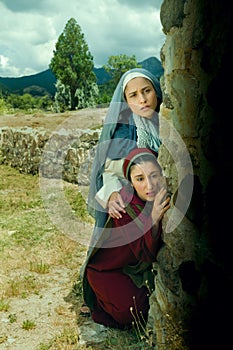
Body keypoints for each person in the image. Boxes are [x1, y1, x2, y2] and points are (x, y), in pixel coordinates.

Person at [81, 148, 170, 329]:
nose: (149, 186)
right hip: (107, 270)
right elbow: (145, 254)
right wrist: (153, 220)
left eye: (154, 176)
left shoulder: (156, 198)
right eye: (140, 179)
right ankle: (100, 301)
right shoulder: (124, 206)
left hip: (132, 268)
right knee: (131, 312)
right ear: (130, 182)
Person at [87, 68, 163, 235]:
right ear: (126, 101)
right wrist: (113, 193)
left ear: (156, 91)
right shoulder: (124, 130)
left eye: (146, 91)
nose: (142, 100)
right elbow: (110, 170)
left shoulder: (168, 118)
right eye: (133, 95)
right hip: (139, 205)